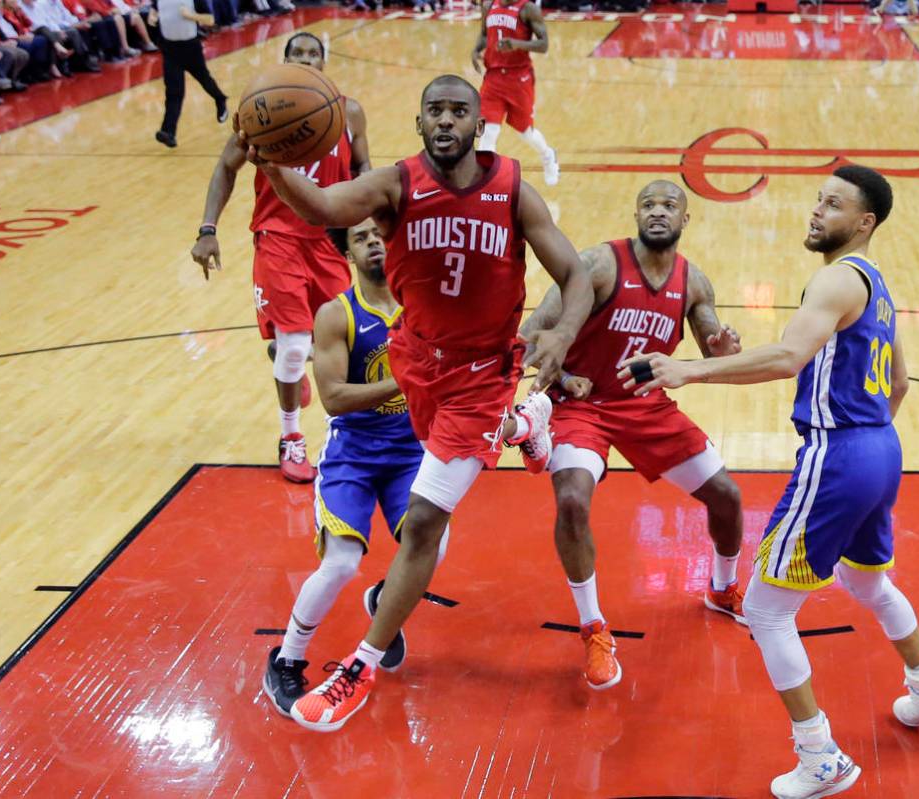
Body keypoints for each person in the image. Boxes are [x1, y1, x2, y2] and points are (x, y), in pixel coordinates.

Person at [242, 74, 594, 732]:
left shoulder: (513, 188)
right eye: (435, 110)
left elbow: (574, 273)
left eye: (460, 110)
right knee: (440, 497)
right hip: (417, 366)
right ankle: (527, 421)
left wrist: (565, 331)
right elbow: (320, 207)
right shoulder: (396, 185)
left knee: (426, 523)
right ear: (420, 120)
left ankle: (360, 665)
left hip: (481, 374)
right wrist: (271, 160)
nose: (447, 120)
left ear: (474, 123)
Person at [621, 166, 919, 799]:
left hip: (839, 457)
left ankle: (820, 757)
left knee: (765, 608)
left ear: (863, 223)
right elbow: (902, 386)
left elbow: (786, 358)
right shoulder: (876, 285)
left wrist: (687, 370)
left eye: (833, 206)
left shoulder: (836, 278)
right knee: (867, 580)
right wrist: (868, 446)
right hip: (881, 449)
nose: (816, 212)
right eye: (817, 200)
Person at [520, 180, 745, 691]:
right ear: (636, 213)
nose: (658, 212)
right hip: (584, 405)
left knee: (727, 498)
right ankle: (594, 628)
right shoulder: (600, 265)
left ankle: (723, 588)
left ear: (685, 219)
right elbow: (533, 332)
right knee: (573, 501)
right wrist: (556, 375)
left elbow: (714, 351)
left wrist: (722, 345)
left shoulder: (693, 282)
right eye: (648, 204)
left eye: (669, 206)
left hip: (647, 408)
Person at [262, 218, 451, 721]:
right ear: (347, 253)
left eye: (379, 235)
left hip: (410, 452)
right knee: (341, 563)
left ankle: (385, 598)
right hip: (354, 454)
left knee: (434, 543)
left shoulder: (424, 309)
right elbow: (335, 398)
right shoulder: (336, 314)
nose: (373, 243)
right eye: (361, 238)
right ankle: (286, 658)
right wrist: (404, 381)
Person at [191, 32, 370, 483]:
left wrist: (366, 225)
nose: (307, 59)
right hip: (277, 238)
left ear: (325, 62)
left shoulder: (348, 112)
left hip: (328, 241)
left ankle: (345, 420)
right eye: (298, 54)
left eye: (314, 54)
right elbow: (225, 167)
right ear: (285, 63)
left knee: (350, 340)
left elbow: (363, 170)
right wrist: (208, 229)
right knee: (292, 347)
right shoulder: (259, 113)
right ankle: (291, 437)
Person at [470, 0, 559, 186]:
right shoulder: (489, 6)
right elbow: (485, 35)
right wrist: (476, 50)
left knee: (525, 132)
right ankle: (485, 183)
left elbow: (544, 44)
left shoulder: (528, 8)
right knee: (489, 131)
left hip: (519, 78)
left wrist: (517, 44)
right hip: (493, 77)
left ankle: (548, 155)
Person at [148, 0, 226, 148]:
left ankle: (220, 99)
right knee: (174, 92)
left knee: (205, 80)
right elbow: (153, 13)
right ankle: (168, 132)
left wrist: (190, 16)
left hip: (191, 48)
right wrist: (152, 19)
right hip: (170, 49)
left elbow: (210, 19)